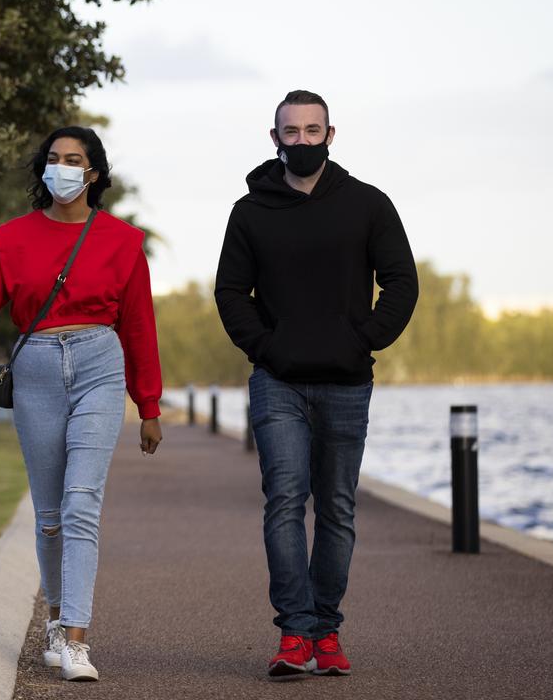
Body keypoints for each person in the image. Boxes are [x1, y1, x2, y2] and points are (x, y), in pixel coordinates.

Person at [0, 126, 162, 682]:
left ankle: (78, 641)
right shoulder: (12, 239)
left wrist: (150, 405)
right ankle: (59, 622)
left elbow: (139, 326)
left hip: (99, 365)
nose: (61, 168)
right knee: (48, 516)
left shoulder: (121, 241)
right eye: (53, 159)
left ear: (93, 173)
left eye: (74, 160)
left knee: (81, 501)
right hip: (36, 368)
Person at [214, 90, 418, 678]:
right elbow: (231, 293)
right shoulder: (249, 212)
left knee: (336, 508)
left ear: (331, 134)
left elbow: (401, 282)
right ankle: (294, 635)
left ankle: (326, 632)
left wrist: (365, 339)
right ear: (273, 137)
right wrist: (267, 346)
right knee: (283, 502)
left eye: (312, 131)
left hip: (348, 382)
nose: (301, 141)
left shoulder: (368, 204)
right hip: (277, 381)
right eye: (290, 132)